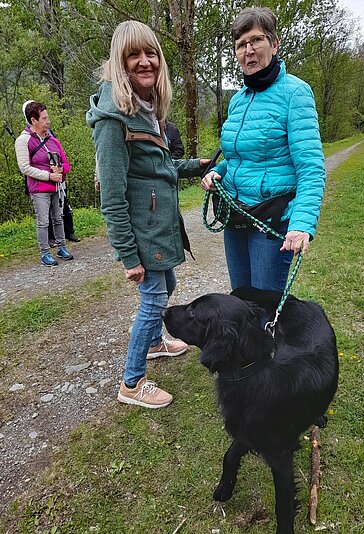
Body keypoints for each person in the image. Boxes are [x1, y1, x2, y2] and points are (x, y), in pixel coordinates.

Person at [86, 20, 210, 409]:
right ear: (118, 62)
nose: (144, 62)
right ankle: (131, 382)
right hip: (143, 234)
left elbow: (160, 170)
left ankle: (156, 342)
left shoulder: (146, 108)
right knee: (154, 300)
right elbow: (112, 194)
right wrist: (128, 255)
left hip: (159, 228)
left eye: (150, 53)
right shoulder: (113, 119)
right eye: (133, 55)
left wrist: (199, 164)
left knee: (167, 286)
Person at [201, 7, 326, 292]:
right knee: (240, 301)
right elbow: (236, 158)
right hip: (236, 217)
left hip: (271, 221)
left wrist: (301, 224)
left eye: (256, 40)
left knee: (264, 311)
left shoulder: (295, 93)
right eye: (241, 45)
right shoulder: (238, 100)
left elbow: (311, 167)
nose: (249, 50)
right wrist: (217, 172)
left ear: (274, 43)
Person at [15, 101, 74, 266]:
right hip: (39, 188)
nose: (48, 121)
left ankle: (62, 247)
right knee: (43, 221)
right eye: (44, 118)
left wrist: (60, 170)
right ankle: (45, 253)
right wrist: (48, 176)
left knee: (59, 218)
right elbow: (24, 167)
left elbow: (65, 162)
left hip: (57, 186)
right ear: (34, 120)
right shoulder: (23, 140)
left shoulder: (52, 140)